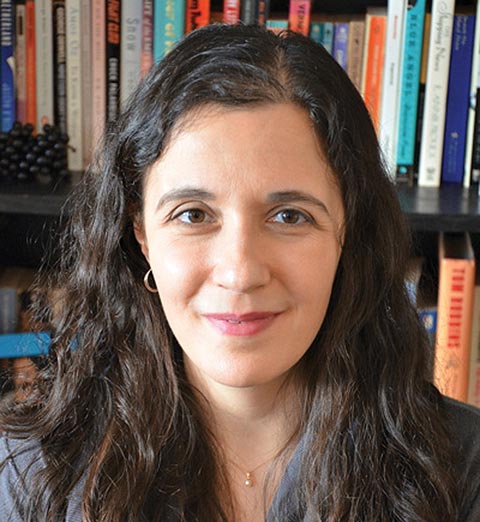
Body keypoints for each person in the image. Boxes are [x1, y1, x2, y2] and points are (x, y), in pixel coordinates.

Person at [1, 23, 479, 522]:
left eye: (290, 216)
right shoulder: (35, 477)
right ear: (141, 233)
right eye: (192, 215)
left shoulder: (465, 470)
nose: (240, 272)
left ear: (348, 231)